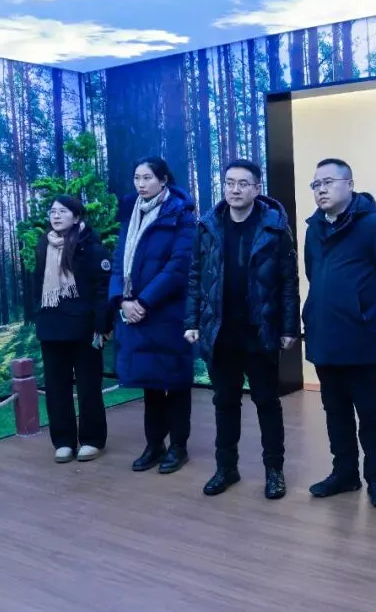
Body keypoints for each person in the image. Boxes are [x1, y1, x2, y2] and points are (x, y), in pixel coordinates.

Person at [184, 159, 301, 500]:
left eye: (243, 184)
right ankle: (226, 468)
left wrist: (289, 327)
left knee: (267, 402)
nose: (235, 190)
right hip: (220, 332)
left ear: (256, 188)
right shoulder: (208, 226)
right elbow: (195, 275)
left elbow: (288, 282)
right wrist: (191, 321)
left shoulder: (274, 227)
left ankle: (274, 471)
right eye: (229, 183)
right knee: (225, 402)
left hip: (259, 330)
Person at [303, 158, 376, 509]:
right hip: (323, 335)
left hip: (360, 336)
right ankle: (344, 473)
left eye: (328, 182)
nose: (321, 189)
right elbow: (313, 275)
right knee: (335, 411)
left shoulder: (375, 226)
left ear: (349, 185)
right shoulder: (314, 229)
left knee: (370, 411)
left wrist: (369, 312)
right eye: (316, 184)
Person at [109, 156, 198, 475]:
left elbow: (179, 265)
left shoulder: (181, 214)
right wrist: (122, 300)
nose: (141, 184)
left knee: (176, 382)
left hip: (168, 313)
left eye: (147, 178)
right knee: (150, 384)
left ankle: (179, 447)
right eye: (137, 178)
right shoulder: (131, 213)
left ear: (163, 180)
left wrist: (144, 301)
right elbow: (118, 261)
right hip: (135, 312)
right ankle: (154, 445)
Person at [32, 195, 112, 463]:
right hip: (51, 326)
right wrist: (38, 315)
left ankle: (92, 439)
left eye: (63, 211)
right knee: (56, 388)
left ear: (76, 217)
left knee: (89, 386)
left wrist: (102, 326)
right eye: (52, 211)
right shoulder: (43, 245)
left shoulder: (91, 247)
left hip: (84, 328)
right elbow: (36, 285)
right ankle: (63, 441)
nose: (56, 216)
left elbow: (102, 290)